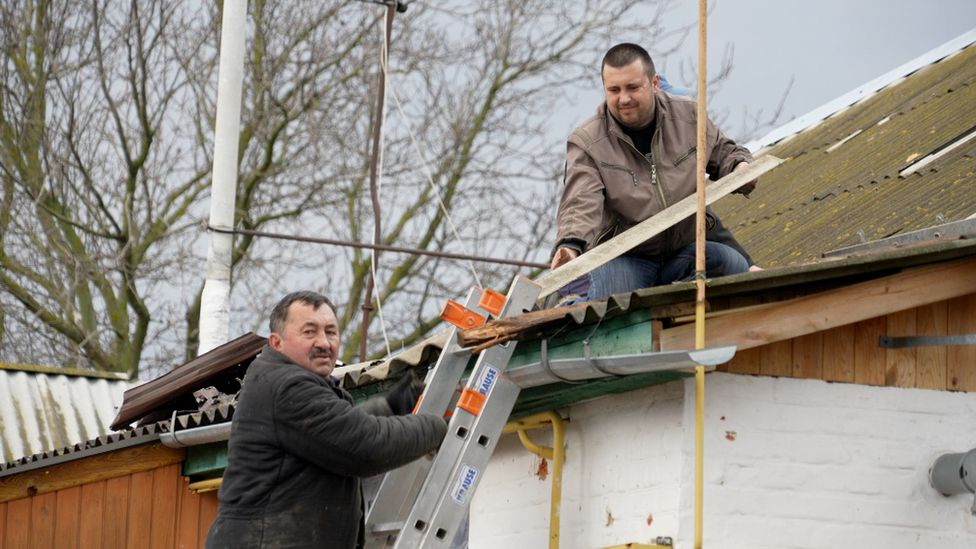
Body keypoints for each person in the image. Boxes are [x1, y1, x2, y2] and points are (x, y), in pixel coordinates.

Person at [206, 291, 447, 549]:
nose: (324, 342)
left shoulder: (281, 381)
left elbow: (336, 433)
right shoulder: (288, 387)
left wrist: (389, 407)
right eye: (309, 332)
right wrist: (438, 427)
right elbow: (366, 447)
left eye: (331, 332)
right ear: (276, 342)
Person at [551, 43, 759, 300]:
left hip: (684, 250)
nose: (623, 98)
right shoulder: (587, 142)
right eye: (614, 90)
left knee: (730, 263)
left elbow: (725, 153)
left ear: (654, 83)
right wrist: (570, 245)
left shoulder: (689, 117)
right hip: (627, 259)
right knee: (602, 293)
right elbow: (580, 200)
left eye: (632, 87)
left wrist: (742, 168)